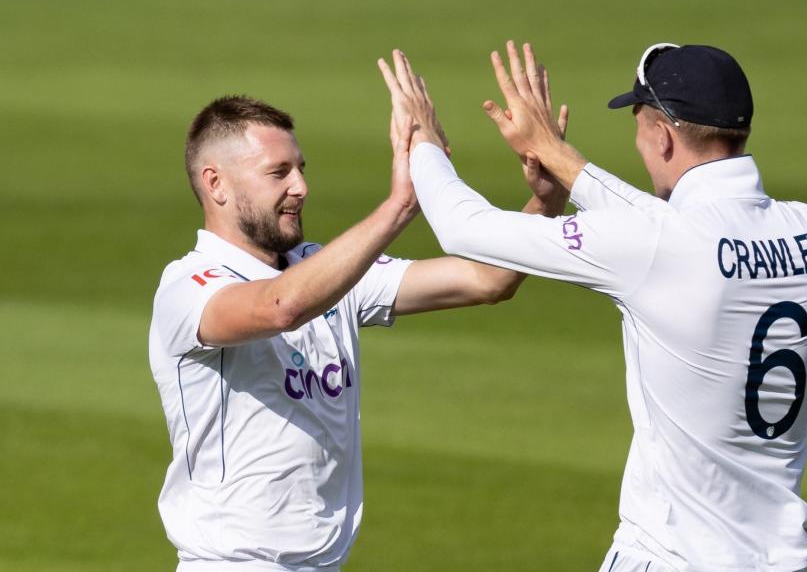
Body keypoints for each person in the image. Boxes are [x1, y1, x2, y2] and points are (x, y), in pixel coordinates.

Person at [380, 42, 807, 572]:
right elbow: (661, 229)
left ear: (662, 136)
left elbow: (463, 228)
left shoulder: (660, 243)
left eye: (639, 126)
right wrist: (555, 154)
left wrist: (424, 141)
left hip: (670, 557)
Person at [147, 93, 568, 571]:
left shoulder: (322, 268)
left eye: (301, 167)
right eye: (278, 172)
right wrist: (398, 207)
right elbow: (281, 307)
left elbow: (487, 280)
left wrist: (546, 202)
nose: (301, 186)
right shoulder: (189, 286)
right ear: (216, 183)